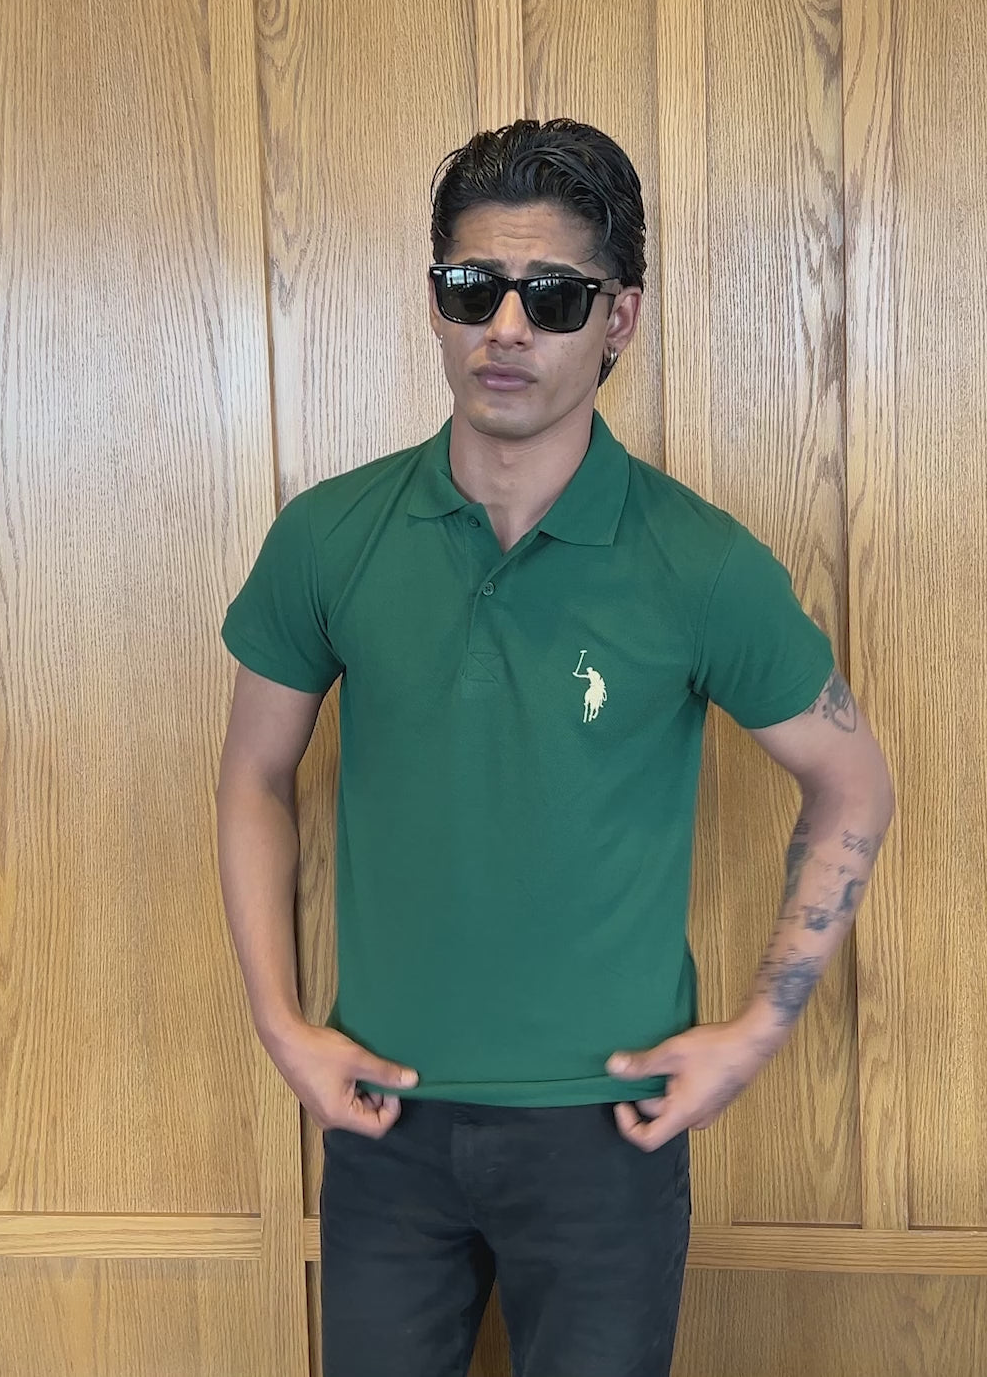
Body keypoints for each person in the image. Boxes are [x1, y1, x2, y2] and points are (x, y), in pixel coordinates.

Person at [215, 118, 895, 1377]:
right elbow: (255, 776)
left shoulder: (700, 563)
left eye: (556, 296)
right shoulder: (327, 537)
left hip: (609, 1135)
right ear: (436, 303)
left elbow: (850, 784)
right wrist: (281, 1024)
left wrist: (754, 1030)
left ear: (618, 318)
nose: (508, 328)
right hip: (381, 1117)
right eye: (472, 288)